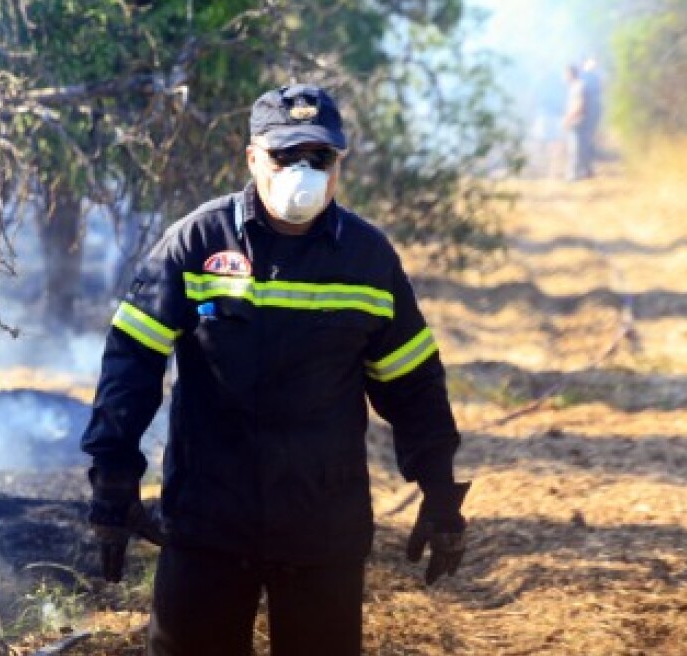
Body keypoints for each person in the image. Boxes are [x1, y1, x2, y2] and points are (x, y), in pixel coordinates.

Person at [80, 83, 470, 656]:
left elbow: (412, 382)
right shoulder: (195, 243)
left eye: (320, 157)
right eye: (286, 155)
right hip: (207, 520)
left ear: (339, 165)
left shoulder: (367, 260)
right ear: (252, 158)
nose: (303, 172)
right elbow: (132, 363)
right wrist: (112, 478)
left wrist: (440, 491)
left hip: (322, 527)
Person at [562, 64, 593, 180]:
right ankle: (586, 171)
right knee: (579, 149)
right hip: (577, 121)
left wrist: (568, 118)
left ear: (570, 74)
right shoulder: (575, 86)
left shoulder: (579, 86)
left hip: (578, 122)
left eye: (565, 74)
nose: (563, 77)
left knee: (575, 150)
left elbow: (580, 105)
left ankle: (574, 175)